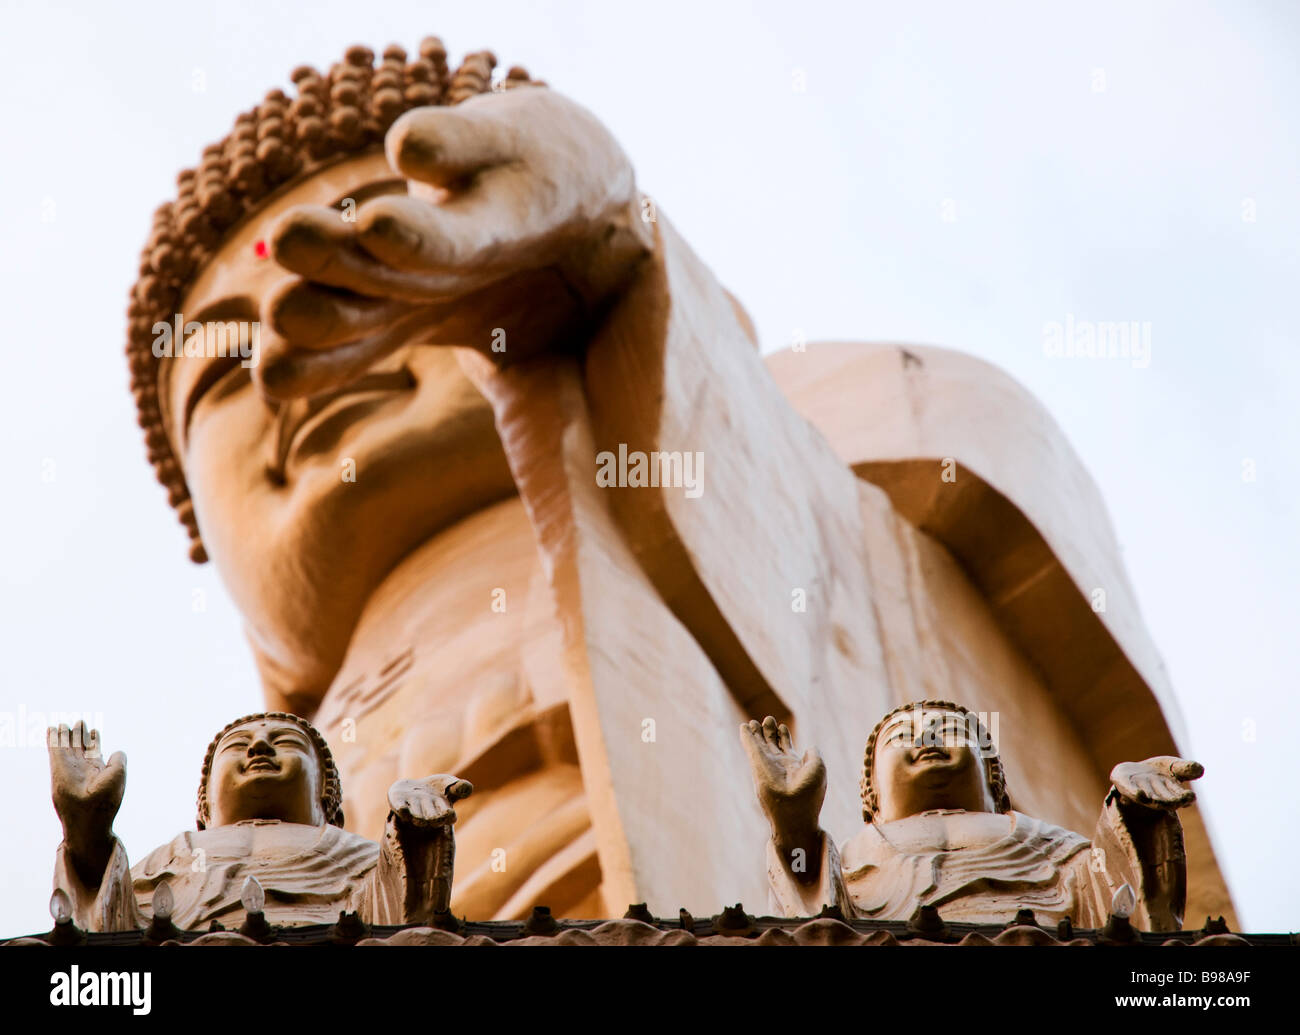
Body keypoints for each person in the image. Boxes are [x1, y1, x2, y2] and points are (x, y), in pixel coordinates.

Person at [742, 702, 1201, 930]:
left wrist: (1133, 810)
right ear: (872, 795)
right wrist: (795, 824)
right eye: (903, 736)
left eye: (950, 730)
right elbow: (822, 926)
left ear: (994, 777)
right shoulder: (854, 855)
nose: (927, 738)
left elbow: (1114, 900)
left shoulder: (1050, 843)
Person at [48, 716, 470, 931]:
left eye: (285, 742)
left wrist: (413, 832)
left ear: (328, 802)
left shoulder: (352, 852)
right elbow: (114, 930)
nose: (261, 745)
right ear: (205, 807)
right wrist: (87, 835)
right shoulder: (175, 854)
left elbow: (399, 917)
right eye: (238, 746)